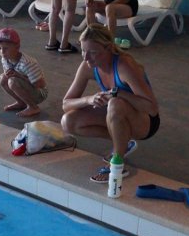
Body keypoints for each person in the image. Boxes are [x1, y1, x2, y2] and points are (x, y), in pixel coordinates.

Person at [61, 24, 159, 183]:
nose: (86, 58)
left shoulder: (124, 66)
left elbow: (152, 108)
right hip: (117, 115)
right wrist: (88, 99)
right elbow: (66, 104)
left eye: (93, 52)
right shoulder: (87, 66)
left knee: (115, 103)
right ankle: (123, 142)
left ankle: (117, 164)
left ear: (108, 48)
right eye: (83, 51)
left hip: (145, 121)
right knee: (68, 121)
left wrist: (119, 93)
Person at [0, 27, 48, 118]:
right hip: (26, 86)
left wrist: (19, 76)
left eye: (6, 48)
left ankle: (33, 107)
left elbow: (40, 84)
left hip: (40, 93)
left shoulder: (27, 63)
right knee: (2, 78)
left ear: (17, 47)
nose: (2, 52)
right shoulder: (5, 59)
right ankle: (21, 102)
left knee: (13, 81)